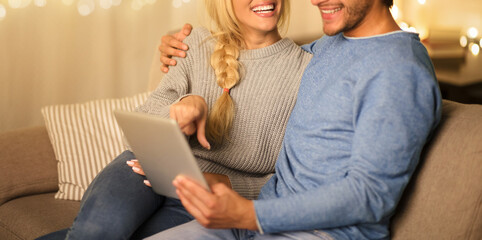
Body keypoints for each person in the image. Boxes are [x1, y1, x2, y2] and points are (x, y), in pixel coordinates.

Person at [146, 0, 443, 239]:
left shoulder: (400, 71)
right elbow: (266, 64)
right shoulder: (332, 45)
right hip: (257, 219)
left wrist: (249, 214)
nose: (316, 1)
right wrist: (178, 48)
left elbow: (369, 196)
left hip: (318, 232)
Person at [36, 0, 313, 239]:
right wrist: (181, 107)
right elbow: (138, 129)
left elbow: (290, 180)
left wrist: (218, 183)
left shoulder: (307, 70)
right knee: (96, 233)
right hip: (143, 170)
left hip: (203, 198)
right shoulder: (193, 43)